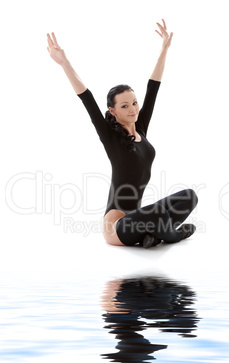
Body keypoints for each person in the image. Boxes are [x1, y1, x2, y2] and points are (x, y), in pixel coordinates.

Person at [47, 19, 198, 248]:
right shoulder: (111, 138)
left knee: (190, 196)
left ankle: (155, 236)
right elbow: (86, 97)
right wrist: (64, 62)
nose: (133, 109)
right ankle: (174, 235)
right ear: (112, 111)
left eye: (134, 103)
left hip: (138, 218)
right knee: (156, 213)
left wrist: (164, 50)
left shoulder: (141, 127)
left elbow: (153, 87)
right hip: (117, 227)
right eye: (125, 106)